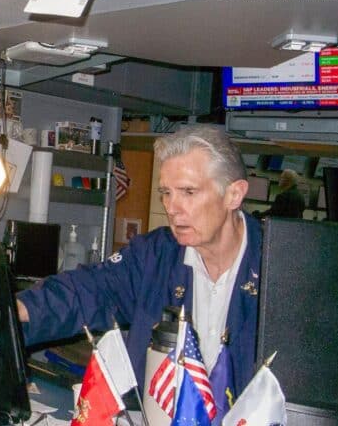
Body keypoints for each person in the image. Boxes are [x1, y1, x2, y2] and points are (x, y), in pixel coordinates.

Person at [15, 124, 262, 399]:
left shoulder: (277, 267)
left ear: (234, 195)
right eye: (166, 193)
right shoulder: (156, 254)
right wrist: (15, 308)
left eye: (188, 192)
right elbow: (90, 288)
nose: (172, 207)